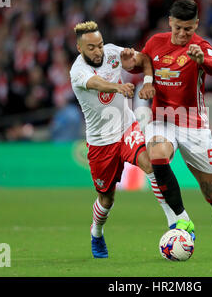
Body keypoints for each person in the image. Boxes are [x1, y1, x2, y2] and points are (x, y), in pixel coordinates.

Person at [133, 0, 212, 259]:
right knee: (158, 156)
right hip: (161, 117)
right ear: (170, 23)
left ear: (196, 24)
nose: (183, 34)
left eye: (188, 28)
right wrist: (144, 77)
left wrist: (201, 60)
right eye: (178, 28)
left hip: (193, 124)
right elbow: (143, 61)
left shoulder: (202, 47)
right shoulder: (155, 42)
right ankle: (182, 219)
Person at [69, 21, 185, 258]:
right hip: (101, 141)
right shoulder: (77, 71)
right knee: (107, 199)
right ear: (79, 48)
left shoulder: (112, 52)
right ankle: (97, 232)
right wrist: (117, 87)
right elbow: (96, 83)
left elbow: (142, 60)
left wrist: (144, 73)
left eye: (100, 45)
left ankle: (174, 223)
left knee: (151, 165)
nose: (98, 51)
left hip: (126, 128)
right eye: (91, 48)